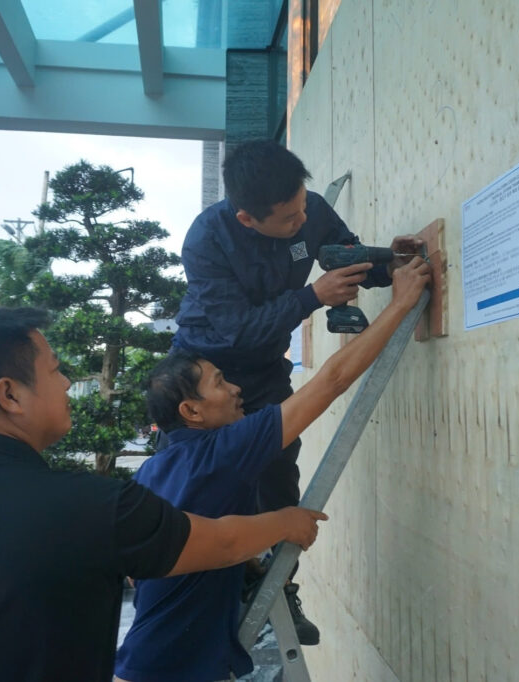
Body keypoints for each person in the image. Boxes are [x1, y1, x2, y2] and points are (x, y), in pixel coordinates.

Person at [0, 307, 327, 682]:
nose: (67, 383)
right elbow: (215, 542)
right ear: (10, 394)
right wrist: (285, 522)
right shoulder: (90, 508)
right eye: (54, 369)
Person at [115, 258, 431, 682]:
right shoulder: (221, 452)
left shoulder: (154, 471)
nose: (235, 389)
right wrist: (401, 303)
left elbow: (142, 568)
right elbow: (331, 381)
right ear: (191, 411)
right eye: (219, 382)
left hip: (145, 660)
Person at [172, 139, 422, 641]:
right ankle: (210, 596)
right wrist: (312, 296)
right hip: (205, 371)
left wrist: (389, 264)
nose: (300, 220)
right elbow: (235, 329)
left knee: (278, 472)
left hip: (264, 368)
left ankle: (279, 587)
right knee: (200, 483)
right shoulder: (207, 240)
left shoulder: (308, 209)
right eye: (288, 218)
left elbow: (345, 256)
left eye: (303, 206)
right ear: (247, 219)